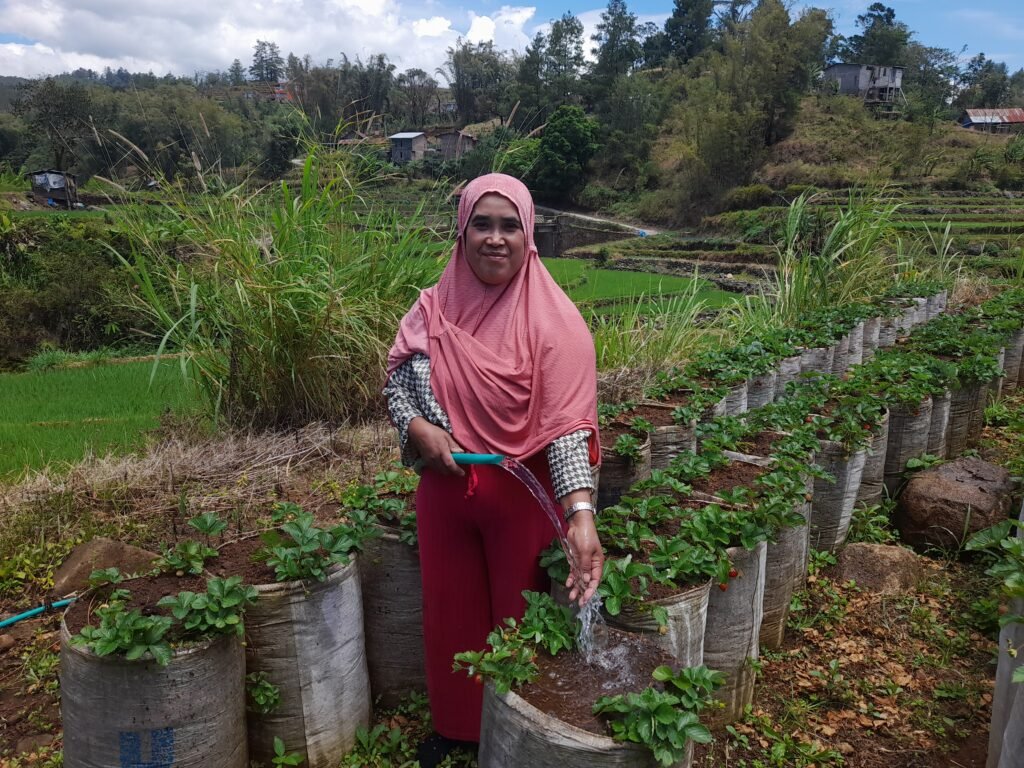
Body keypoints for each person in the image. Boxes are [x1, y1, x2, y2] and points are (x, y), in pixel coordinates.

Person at [384, 173, 605, 766]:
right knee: (449, 614)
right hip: (444, 493)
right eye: (482, 223)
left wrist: (581, 516)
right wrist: (419, 429)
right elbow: (399, 386)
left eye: (510, 225)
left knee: (518, 616)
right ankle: (456, 731)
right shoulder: (431, 310)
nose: (495, 238)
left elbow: (565, 432)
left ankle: (514, 739)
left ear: (529, 236)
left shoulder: (555, 326)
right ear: (461, 231)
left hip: (520, 502)